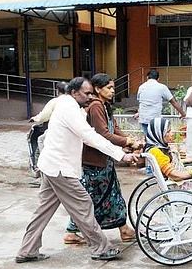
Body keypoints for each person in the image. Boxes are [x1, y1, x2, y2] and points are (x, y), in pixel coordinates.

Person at [15, 77, 138, 264]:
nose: (90, 96)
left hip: (51, 166)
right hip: (60, 169)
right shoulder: (69, 109)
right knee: (83, 205)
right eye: (86, 93)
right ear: (74, 93)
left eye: (91, 93)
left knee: (43, 211)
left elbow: (89, 137)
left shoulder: (69, 105)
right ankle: (101, 248)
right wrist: (120, 154)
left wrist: (119, 151)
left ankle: (27, 250)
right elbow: (90, 136)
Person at [63, 74, 141, 245]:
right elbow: (103, 133)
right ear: (98, 89)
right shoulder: (96, 106)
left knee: (111, 196)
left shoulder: (105, 106)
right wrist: (127, 142)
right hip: (94, 163)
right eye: (109, 88)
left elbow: (115, 128)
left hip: (104, 160)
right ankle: (72, 231)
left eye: (113, 88)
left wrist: (129, 140)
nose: (113, 91)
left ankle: (124, 229)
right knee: (92, 199)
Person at [135, 69, 186, 135]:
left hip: (144, 118)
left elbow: (142, 102)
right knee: (157, 139)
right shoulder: (162, 87)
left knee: (148, 139)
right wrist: (182, 113)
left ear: (147, 77)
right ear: (158, 79)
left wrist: (139, 113)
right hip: (155, 119)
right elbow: (173, 102)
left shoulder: (141, 87)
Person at [29, 81, 68, 164]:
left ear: (57, 91)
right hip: (70, 130)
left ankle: (45, 161)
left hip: (58, 129)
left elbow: (44, 115)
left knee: (40, 140)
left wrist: (35, 119)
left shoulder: (55, 101)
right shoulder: (72, 101)